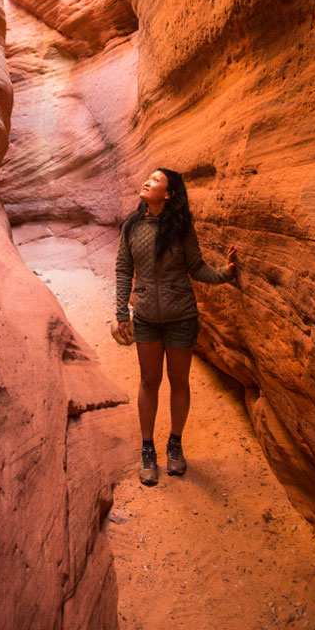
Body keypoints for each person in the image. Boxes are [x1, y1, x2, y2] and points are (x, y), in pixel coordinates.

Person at [115, 167, 237, 484]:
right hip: (145, 319)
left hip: (181, 318)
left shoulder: (181, 229)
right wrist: (120, 314)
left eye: (155, 181)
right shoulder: (131, 226)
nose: (147, 182)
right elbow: (123, 271)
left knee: (179, 382)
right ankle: (147, 449)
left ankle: (175, 444)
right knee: (149, 381)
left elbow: (196, 267)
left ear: (168, 195)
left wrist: (224, 274)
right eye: (148, 178)